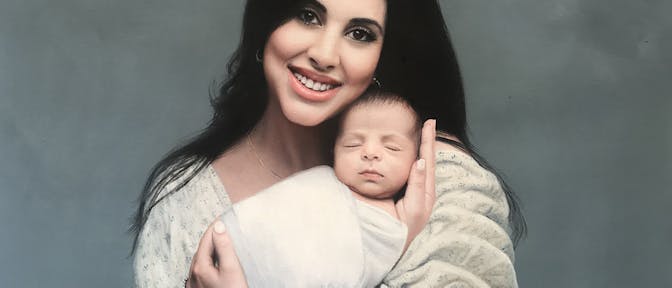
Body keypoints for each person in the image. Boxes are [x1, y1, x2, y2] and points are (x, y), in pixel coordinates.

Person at [130, 0, 526, 287]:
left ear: (384, 55)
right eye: (307, 15)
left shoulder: (434, 171)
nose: (324, 54)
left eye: (359, 34)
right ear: (268, 20)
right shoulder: (184, 198)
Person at [217, 91, 422, 287]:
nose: (370, 153)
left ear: (417, 159)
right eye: (352, 144)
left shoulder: (397, 225)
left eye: (392, 148)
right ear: (334, 150)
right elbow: (267, 216)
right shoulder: (319, 182)